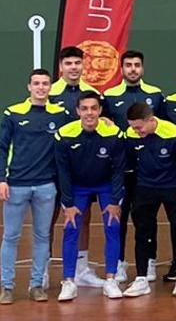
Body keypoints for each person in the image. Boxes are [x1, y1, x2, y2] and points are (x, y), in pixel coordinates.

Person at [0, 69, 70, 304]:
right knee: (11, 237)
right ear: (29, 87)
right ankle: (6, 287)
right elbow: (2, 148)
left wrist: (104, 120)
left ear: (51, 87)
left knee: (42, 236)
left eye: (45, 83)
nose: (41, 87)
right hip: (16, 186)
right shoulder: (13, 113)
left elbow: (78, 131)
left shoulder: (61, 114)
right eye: (36, 83)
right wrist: (2, 179)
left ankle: (37, 285)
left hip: (46, 187)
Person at [54, 91, 125, 301]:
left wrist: (114, 201)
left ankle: (111, 279)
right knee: (71, 227)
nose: (89, 113)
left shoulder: (114, 134)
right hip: (77, 187)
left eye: (94, 108)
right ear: (77, 111)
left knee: (112, 225)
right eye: (84, 109)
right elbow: (63, 172)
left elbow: (118, 170)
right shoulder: (64, 134)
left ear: (100, 110)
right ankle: (68, 281)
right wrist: (67, 203)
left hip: (105, 185)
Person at [103, 50, 164, 283]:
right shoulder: (109, 96)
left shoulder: (155, 95)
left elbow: (161, 127)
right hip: (120, 170)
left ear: (143, 68)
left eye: (137, 65)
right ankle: (119, 263)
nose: (133, 69)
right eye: (128, 65)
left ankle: (148, 262)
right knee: (119, 217)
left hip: (147, 170)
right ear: (122, 69)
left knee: (146, 219)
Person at [123, 103, 176, 298]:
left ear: (151, 121)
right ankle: (142, 277)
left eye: (139, 128)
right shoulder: (130, 134)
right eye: (133, 128)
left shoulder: (174, 134)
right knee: (142, 232)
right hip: (145, 188)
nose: (136, 131)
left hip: (173, 187)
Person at [49, 46, 102, 288]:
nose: (73, 67)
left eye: (77, 63)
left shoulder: (92, 94)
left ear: (83, 66)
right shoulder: (49, 93)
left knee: (84, 217)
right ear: (61, 67)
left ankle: (81, 269)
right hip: (54, 168)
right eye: (68, 63)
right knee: (49, 218)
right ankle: (44, 271)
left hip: (83, 169)